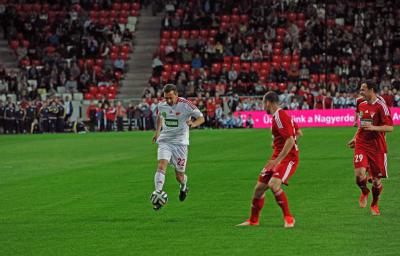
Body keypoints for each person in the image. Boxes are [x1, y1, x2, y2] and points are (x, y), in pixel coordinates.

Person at [237, 91, 300, 228]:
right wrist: (277, 144)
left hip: (289, 158)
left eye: (262, 104)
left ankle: (289, 218)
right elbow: (296, 132)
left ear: (268, 103)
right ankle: (253, 220)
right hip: (277, 156)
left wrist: (278, 160)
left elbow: (290, 140)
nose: (262, 107)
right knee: (259, 188)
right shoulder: (279, 116)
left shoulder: (279, 117)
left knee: (273, 184)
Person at [151, 84, 205, 210]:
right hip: (165, 140)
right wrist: (157, 132)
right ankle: (158, 194)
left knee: (179, 176)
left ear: (176, 94)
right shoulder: (162, 104)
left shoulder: (186, 105)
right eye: (166, 98)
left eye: (170, 98)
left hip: (180, 143)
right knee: (161, 165)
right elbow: (160, 116)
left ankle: (183, 187)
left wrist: (193, 123)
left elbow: (201, 118)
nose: (168, 101)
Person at [347, 81, 394, 216]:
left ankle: (374, 203)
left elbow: (390, 127)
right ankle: (364, 191)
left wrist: (374, 128)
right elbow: (362, 125)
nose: (360, 92)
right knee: (359, 175)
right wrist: (355, 138)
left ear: (371, 90)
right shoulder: (360, 103)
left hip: (377, 147)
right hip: (362, 143)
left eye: (363, 90)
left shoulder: (381, 106)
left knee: (376, 181)